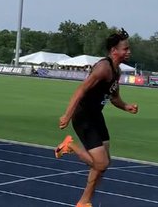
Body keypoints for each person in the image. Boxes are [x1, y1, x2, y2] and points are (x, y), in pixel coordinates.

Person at [53, 28, 138, 207]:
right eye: (125, 49)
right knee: (101, 164)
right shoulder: (103, 68)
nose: (128, 51)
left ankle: (85, 201)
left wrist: (126, 106)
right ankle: (70, 146)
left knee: (103, 165)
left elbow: (114, 97)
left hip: (96, 116)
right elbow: (80, 90)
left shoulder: (117, 71)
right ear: (114, 50)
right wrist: (67, 115)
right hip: (83, 117)